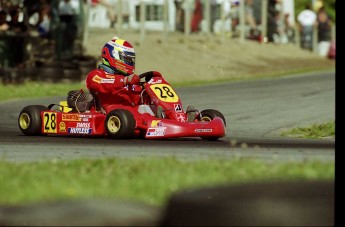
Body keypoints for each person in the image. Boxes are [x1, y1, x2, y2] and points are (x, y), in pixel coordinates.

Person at [85, 37, 162, 111]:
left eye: (131, 60)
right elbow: (106, 83)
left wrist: (148, 87)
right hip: (113, 112)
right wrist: (124, 80)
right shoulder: (96, 75)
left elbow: (138, 100)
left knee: (153, 108)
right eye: (127, 59)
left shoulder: (129, 81)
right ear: (113, 55)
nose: (130, 63)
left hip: (132, 112)